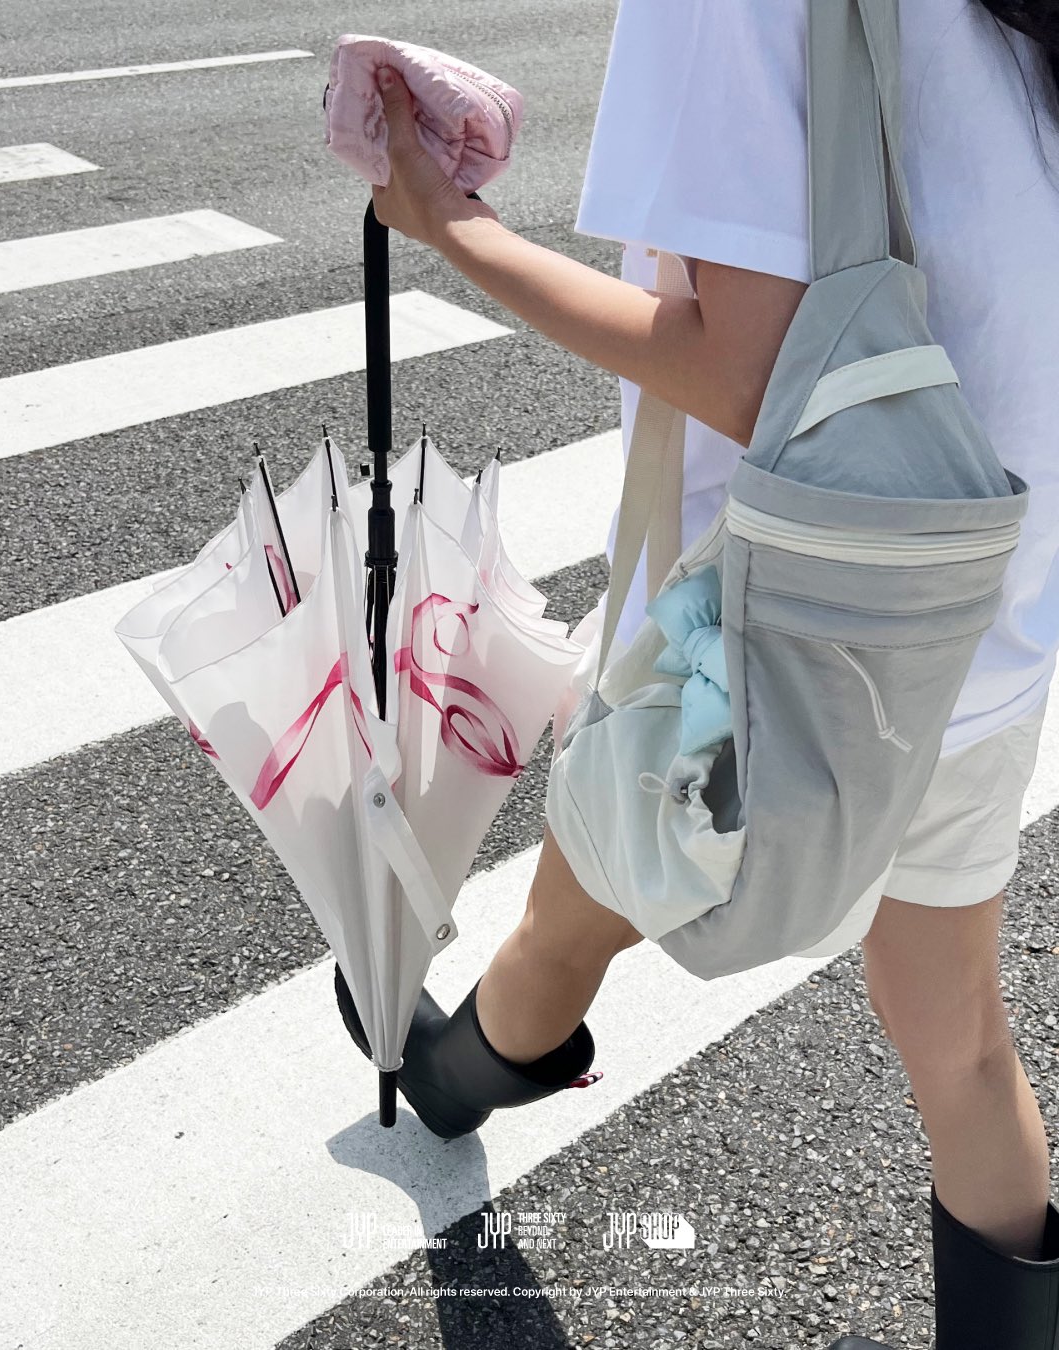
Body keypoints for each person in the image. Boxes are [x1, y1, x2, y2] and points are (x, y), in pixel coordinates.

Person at [335, 2, 1059, 1344]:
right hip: (973, 601)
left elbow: (744, 367)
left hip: (756, 627)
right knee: (962, 1048)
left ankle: (454, 1077)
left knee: (573, 915)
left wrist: (454, 227)